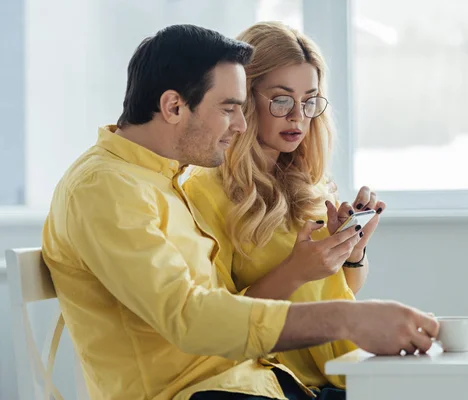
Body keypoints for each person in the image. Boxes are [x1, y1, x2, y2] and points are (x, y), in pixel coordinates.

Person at [42, 24, 439, 400]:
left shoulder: (163, 180)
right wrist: (346, 318)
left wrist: (350, 258)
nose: (240, 124)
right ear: (173, 106)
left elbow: (218, 306)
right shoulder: (106, 188)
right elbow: (189, 316)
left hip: (256, 381)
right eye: (231, 107)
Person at [183, 21, 385, 391]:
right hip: (275, 384)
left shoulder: (307, 183)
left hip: (341, 373)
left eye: (309, 100)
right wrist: (296, 270)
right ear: (244, 97)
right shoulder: (204, 194)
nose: (298, 116)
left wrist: (351, 253)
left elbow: (340, 290)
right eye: (281, 99)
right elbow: (215, 323)